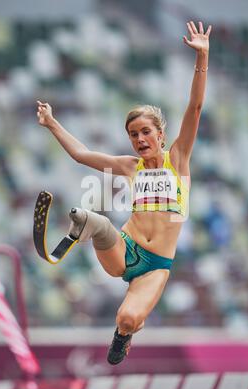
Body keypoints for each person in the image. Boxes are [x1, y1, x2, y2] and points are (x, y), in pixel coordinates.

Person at [36, 21, 211, 365]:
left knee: (128, 319)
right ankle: (83, 225)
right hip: (124, 248)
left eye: (145, 132)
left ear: (161, 135)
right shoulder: (131, 166)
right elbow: (82, 155)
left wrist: (202, 57)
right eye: (133, 134)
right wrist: (52, 122)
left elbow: (194, 108)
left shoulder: (178, 159)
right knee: (97, 223)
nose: (140, 139)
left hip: (155, 267)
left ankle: (124, 335)